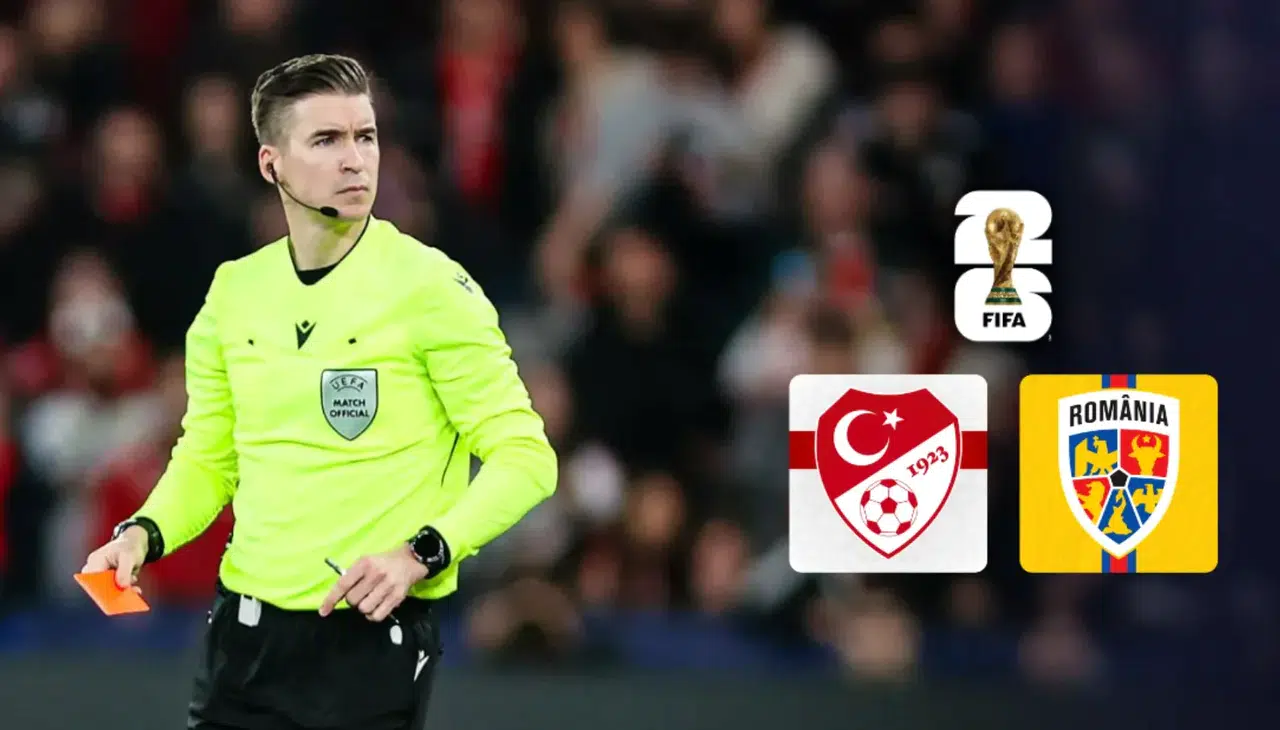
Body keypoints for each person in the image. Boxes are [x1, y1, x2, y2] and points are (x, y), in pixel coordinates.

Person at [80, 54, 558, 730]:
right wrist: (142, 534)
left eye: (366, 136)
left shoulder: (430, 289)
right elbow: (210, 458)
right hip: (243, 638)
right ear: (271, 163)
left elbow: (526, 458)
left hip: (368, 638)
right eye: (327, 140)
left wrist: (422, 553)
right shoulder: (234, 293)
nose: (355, 160)